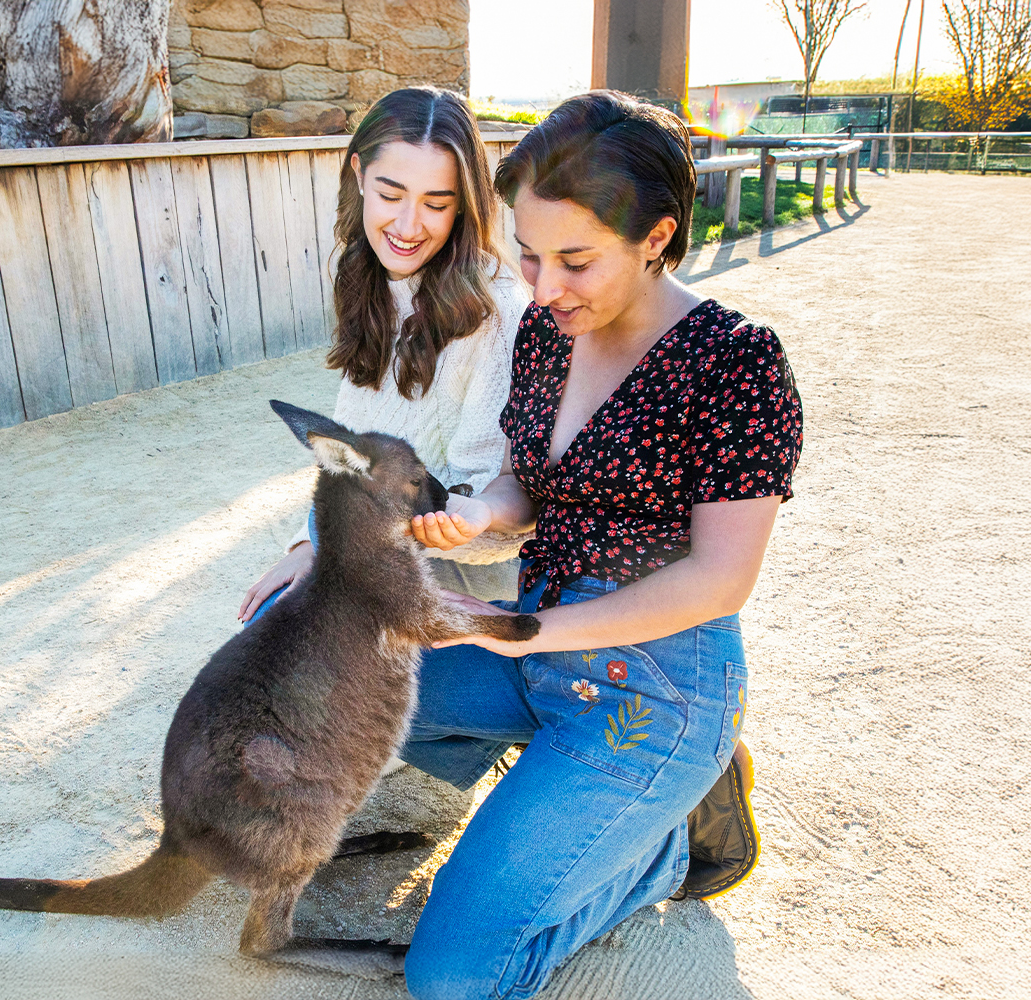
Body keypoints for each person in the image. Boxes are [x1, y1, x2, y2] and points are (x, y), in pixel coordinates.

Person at [396, 91, 804, 1000]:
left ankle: (661, 849)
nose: (542, 287)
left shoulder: (736, 361)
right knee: (321, 687)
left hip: (658, 689)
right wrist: (481, 513)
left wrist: (510, 631)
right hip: (534, 639)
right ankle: (568, 789)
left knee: (453, 978)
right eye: (530, 254)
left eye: (574, 260)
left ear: (656, 235)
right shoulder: (547, 330)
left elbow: (719, 580)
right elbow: (529, 486)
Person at [239, 86, 529, 624]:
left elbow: (490, 499)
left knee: (293, 639)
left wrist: (348, 552)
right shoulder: (368, 277)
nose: (408, 226)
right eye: (391, 194)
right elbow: (353, 447)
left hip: (463, 565)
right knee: (271, 626)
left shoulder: (498, 312)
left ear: (464, 204)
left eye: (437, 204)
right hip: (378, 535)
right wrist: (310, 543)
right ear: (358, 176)